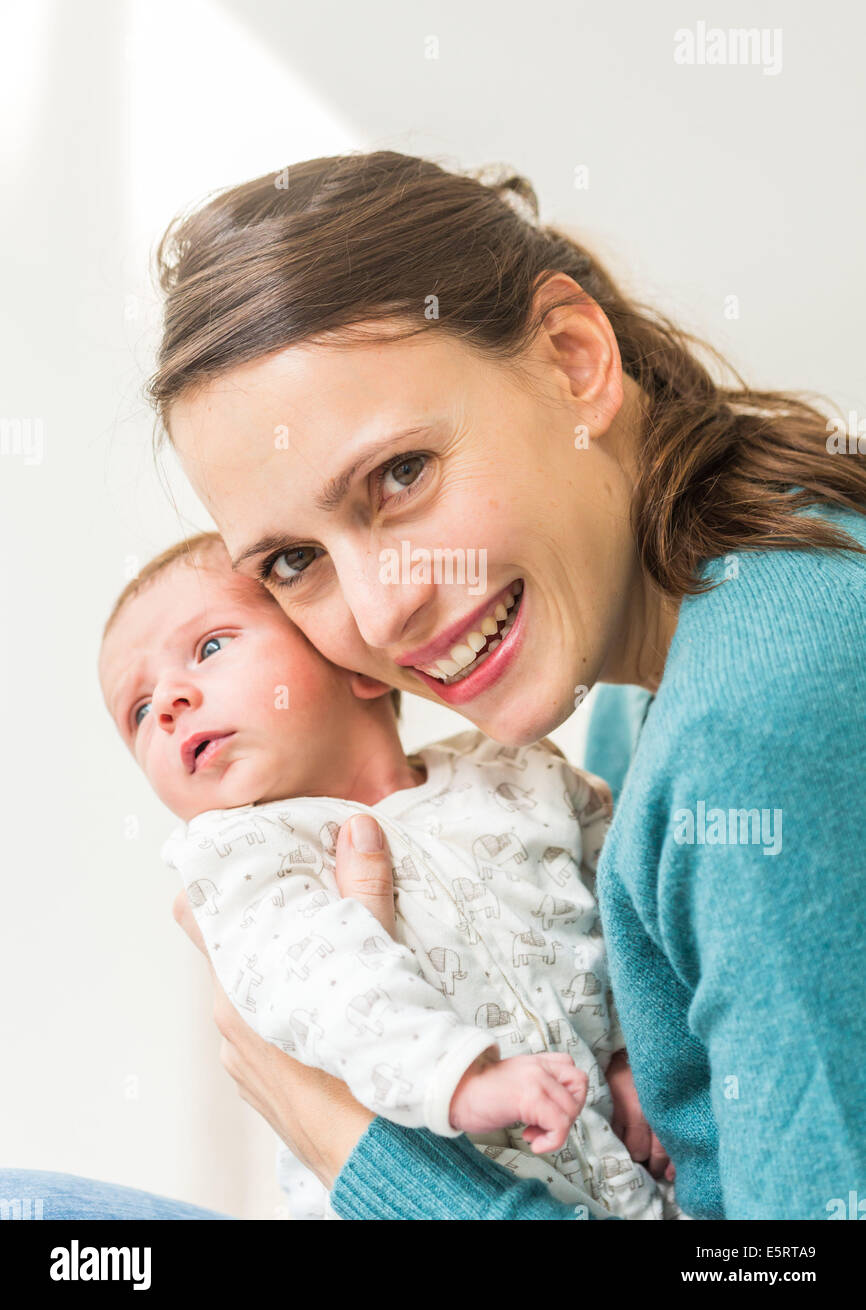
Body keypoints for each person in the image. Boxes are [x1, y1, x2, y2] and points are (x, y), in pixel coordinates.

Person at [4, 150, 864, 1219]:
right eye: (291, 561)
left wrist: (349, 1142)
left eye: (399, 475)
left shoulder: (753, 725)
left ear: (571, 356)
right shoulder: (662, 674)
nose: (376, 615)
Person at [97, 527, 679, 1221]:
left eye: (211, 646)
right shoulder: (244, 861)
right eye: (137, 711)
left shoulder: (516, 773)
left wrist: (629, 1051)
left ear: (355, 660)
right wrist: (462, 1078)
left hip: (625, 1182)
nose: (166, 704)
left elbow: (617, 909)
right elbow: (324, 989)